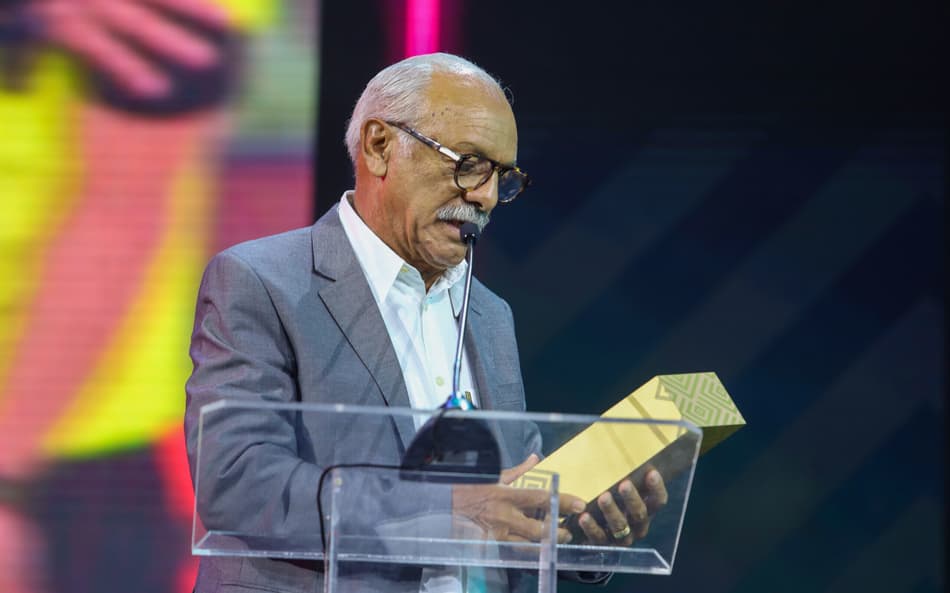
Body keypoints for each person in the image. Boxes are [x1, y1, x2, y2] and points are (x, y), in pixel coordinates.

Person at [184, 53, 667, 593]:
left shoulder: (489, 314)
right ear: (379, 147)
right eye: (469, 163)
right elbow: (237, 480)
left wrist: (583, 526)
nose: (485, 196)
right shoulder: (261, 281)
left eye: (503, 177)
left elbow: (511, 500)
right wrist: (448, 508)